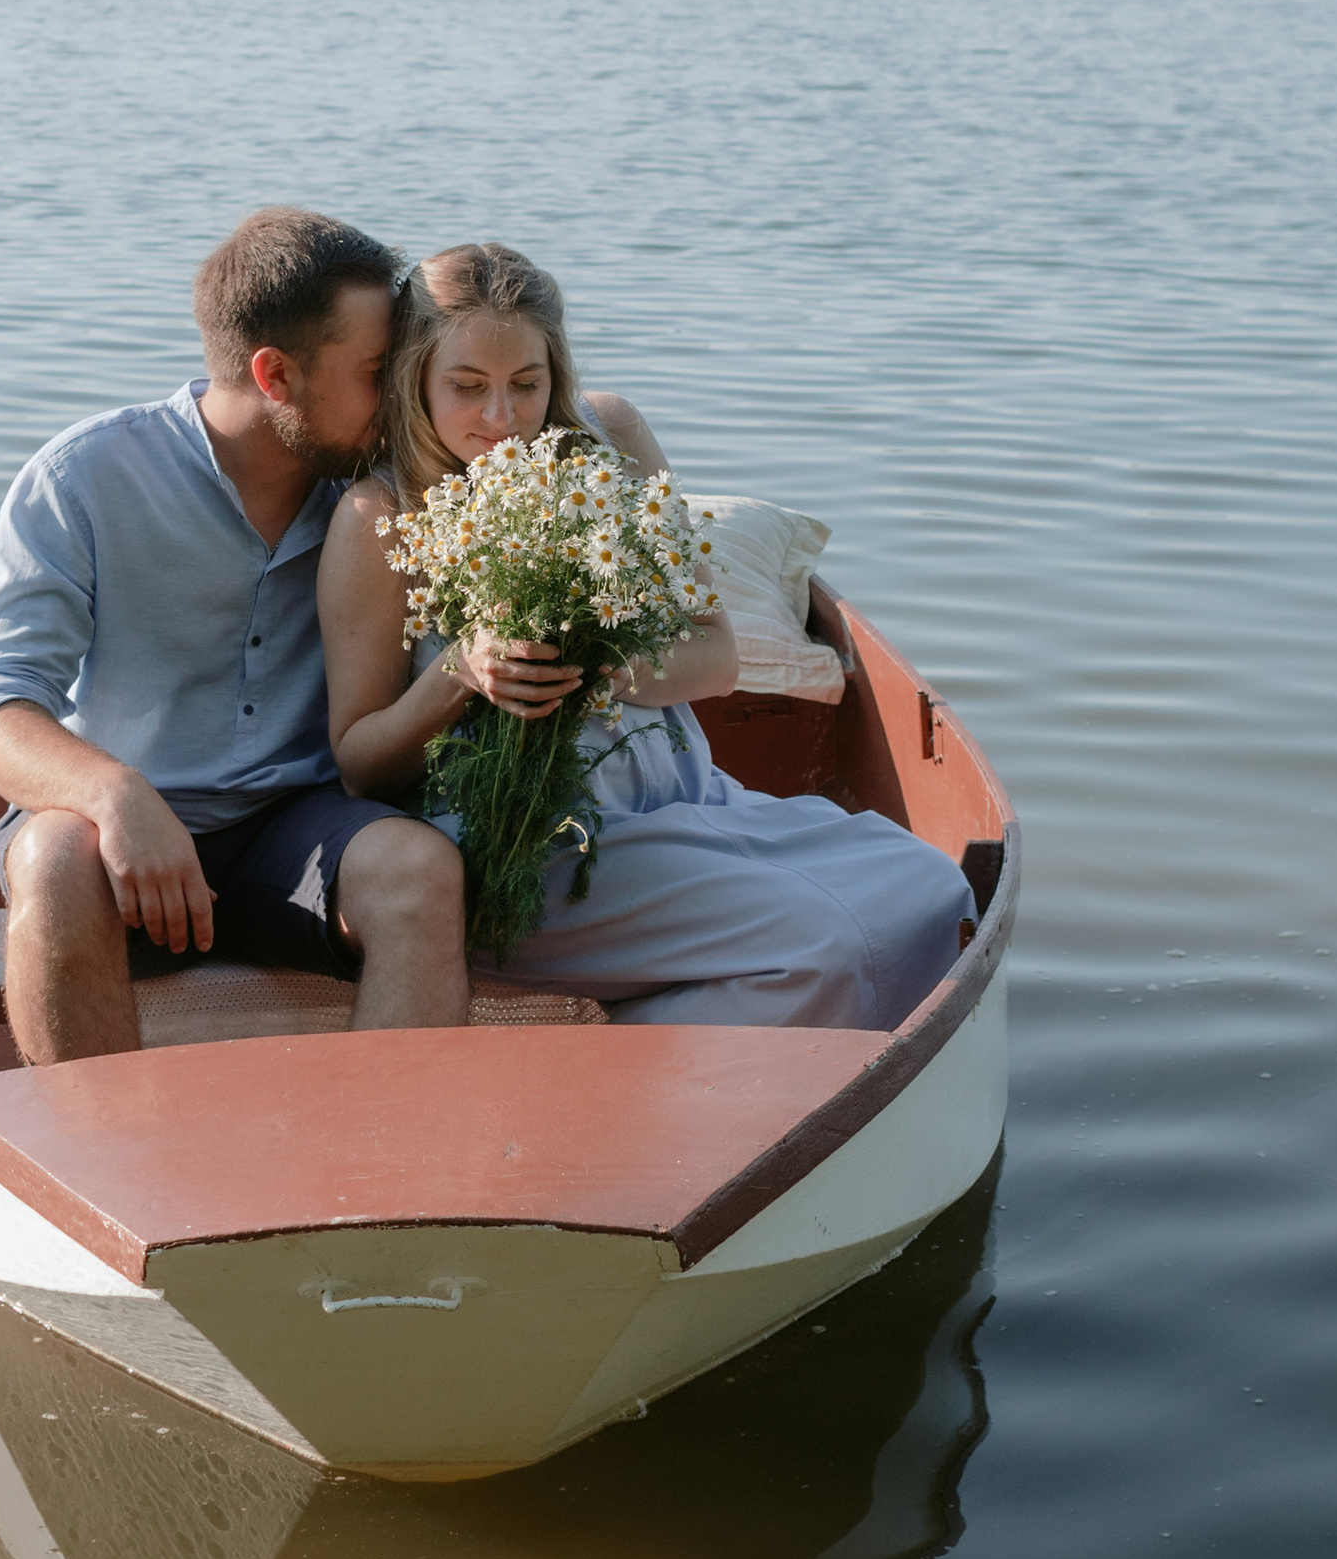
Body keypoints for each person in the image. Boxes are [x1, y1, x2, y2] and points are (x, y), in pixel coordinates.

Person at [317, 242, 971, 1030]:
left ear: (555, 370)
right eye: (467, 386)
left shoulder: (611, 437)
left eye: (526, 383)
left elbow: (717, 658)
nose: (501, 418)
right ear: (415, 377)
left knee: (935, 890)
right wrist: (462, 670)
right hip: (537, 848)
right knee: (826, 950)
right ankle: (643, 1081)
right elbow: (359, 762)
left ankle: (657, 1047)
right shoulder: (379, 515)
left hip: (686, 801)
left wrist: (600, 662)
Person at [0, 208, 469, 1060]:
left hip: (300, 832)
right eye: (380, 373)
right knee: (52, 858)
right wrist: (118, 797)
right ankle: (90, 1140)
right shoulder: (83, 478)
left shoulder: (386, 493)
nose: (401, 400)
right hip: (115, 841)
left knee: (421, 871)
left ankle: (387, 1145)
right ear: (276, 374)